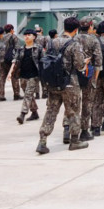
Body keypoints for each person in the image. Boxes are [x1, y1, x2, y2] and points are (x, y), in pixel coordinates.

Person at [36, 17, 88, 154]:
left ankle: (42, 141)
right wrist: (86, 62)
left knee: (51, 111)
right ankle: (75, 140)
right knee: (73, 111)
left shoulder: (52, 42)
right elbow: (79, 65)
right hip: (70, 83)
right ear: (76, 30)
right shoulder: (74, 44)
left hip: (53, 83)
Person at [74, 17, 102, 141]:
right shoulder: (94, 40)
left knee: (73, 103)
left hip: (73, 75)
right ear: (90, 26)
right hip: (88, 74)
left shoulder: (73, 38)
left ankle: (67, 129)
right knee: (87, 102)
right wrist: (95, 78)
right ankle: (84, 131)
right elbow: (98, 61)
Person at [9, 29, 42, 124]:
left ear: (34, 37)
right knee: (29, 95)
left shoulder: (38, 48)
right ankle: (35, 113)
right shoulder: (21, 48)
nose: (26, 36)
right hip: (23, 75)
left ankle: (22, 114)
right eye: (25, 35)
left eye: (29, 35)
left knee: (27, 95)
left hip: (34, 75)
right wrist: (11, 73)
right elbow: (15, 60)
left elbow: (43, 61)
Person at [0, 24, 22, 101]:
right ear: (12, 30)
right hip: (11, 59)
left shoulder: (1, 37)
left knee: (2, 77)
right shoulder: (13, 36)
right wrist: (16, 59)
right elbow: (17, 48)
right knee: (14, 76)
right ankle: (16, 94)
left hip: (2, 60)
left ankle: (1, 95)